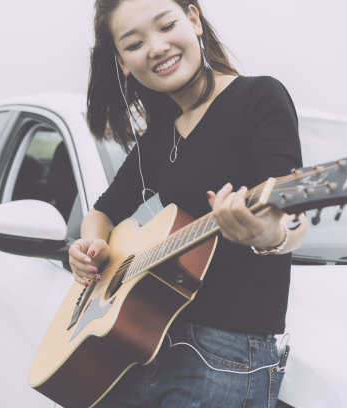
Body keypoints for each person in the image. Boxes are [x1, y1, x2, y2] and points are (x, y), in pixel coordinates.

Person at [68, 0, 309, 406]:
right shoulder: (162, 132)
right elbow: (102, 211)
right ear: (123, 63)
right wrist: (90, 247)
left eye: (166, 26)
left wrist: (266, 233)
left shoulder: (259, 96)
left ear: (194, 20)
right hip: (145, 341)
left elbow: (292, 216)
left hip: (227, 357)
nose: (157, 47)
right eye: (134, 43)